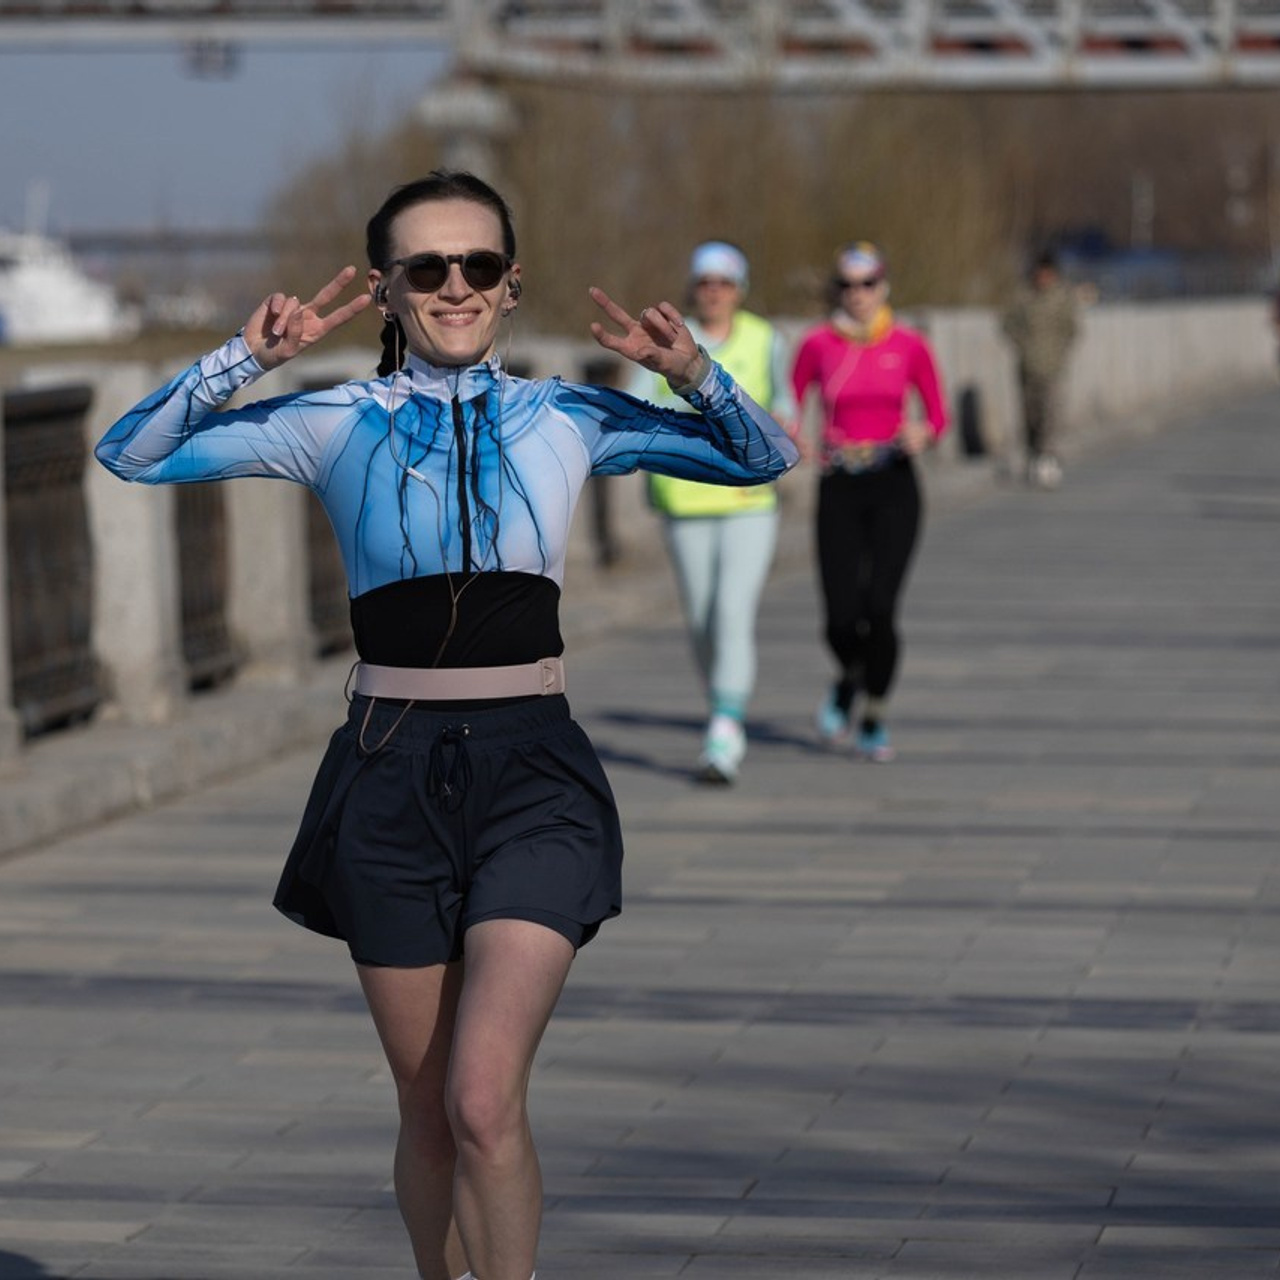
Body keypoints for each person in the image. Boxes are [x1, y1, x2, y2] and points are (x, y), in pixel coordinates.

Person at [93, 170, 798, 1280]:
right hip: (385, 771)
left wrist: (693, 376)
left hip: (533, 773)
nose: (454, 286)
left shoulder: (566, 412)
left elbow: (764, 456)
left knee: (481, 1097)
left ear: (510, 285)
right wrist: (245, 362)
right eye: (426, 268)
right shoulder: (331, 421)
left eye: (477, 265)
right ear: (386, 289)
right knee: (426, 1112)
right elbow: (128, 451)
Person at [628, 240, 795, 784]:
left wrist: (783, 429)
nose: (714, 292)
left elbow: (785, 405)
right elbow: (630, 401)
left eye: (724, 283)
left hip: (748, 501)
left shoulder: (765, 339)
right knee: (702, 620)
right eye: (705, 283)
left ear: (740, 290)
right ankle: (722, 704)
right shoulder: (663, 342)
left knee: (731, 611)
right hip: (684, 500)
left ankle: (725, 728)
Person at [791, 241, 948, 762]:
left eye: (867, 285)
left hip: (894, 483)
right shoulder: (818, 345)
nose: (856, 295)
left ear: (884, 287)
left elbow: (939, 415)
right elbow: (789, 402)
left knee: (879, 608)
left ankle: (874, 714)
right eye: (846, 286)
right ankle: (850, 677)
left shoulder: (909, 344)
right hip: (839, 482)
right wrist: (794, 436)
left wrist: (923, 433)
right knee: (839, 616)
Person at [1001, 249, 1080, 490]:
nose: (1043, 278)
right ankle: (1033, 456)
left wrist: (1060, 350)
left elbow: (1072, 329)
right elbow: (1007, 324)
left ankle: (1048, 459)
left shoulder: (1062, 298)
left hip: (1053, 367)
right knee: (1030, 416)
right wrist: (1022, 345)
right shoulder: (1025, 298)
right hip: (1028, 366)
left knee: (1051, 416)